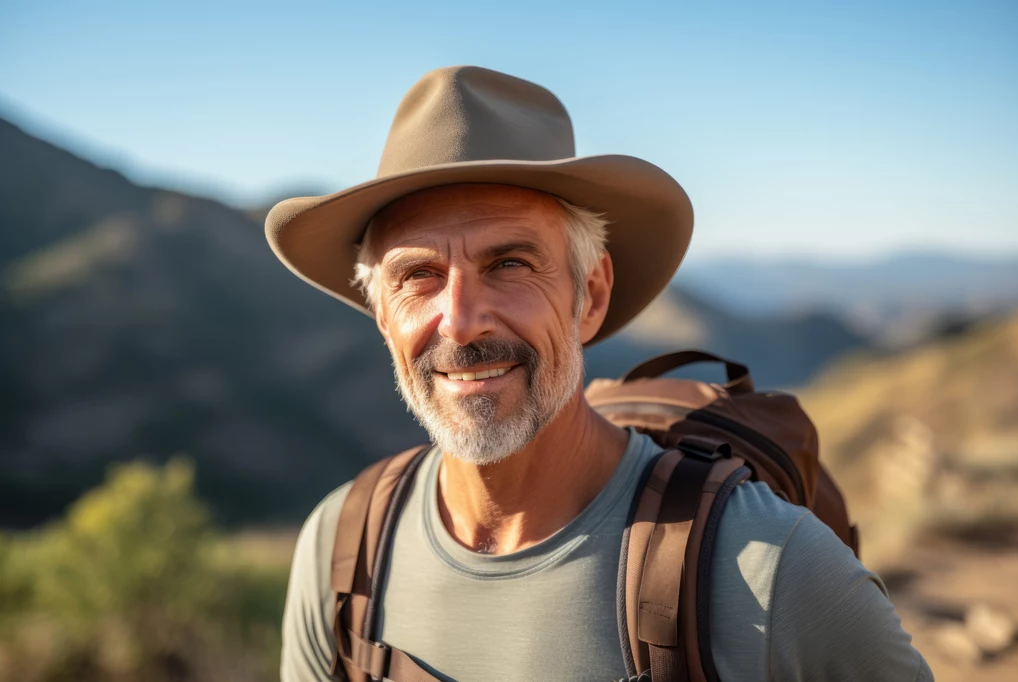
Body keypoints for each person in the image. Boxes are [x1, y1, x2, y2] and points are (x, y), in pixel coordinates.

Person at [268, 66, 932, 681]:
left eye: (511, 264)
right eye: (419, 276)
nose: (462, 321)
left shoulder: (771, 569)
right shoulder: (340, 552)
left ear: (592, 293)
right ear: (383, 315)